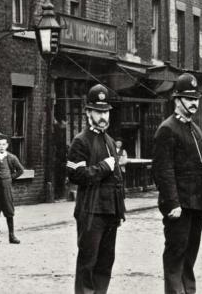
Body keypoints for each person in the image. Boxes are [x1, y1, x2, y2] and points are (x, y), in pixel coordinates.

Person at [152, 73, 202, 294]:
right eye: (189, 99)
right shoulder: (167, 129)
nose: (194, 103)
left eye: (196, 99)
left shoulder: (195, 129)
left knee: (190, 256)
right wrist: (172, 203)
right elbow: (163, 170)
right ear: (177, 100)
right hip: (179, 207)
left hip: (196, 204)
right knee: (176, 255)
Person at [66, 84, 126, 294]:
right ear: (88, 112)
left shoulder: (109, 140)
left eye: (106, 112)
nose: (103, 117)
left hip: (110, 212)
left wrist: (120, 210)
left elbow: (116, 180)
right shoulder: (80, 141)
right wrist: (104, 167)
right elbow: (76, 175)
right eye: (98, 112)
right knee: (88, 263)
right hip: (90, 212)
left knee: (105, 263)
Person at [0, 134, 24, 245]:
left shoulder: (11, 157)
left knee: (9, 210)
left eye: (4, 144)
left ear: (7, 145)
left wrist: (10, 178)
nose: (2, 146)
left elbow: (20, 170)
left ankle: (11, 235)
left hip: (6, 188)